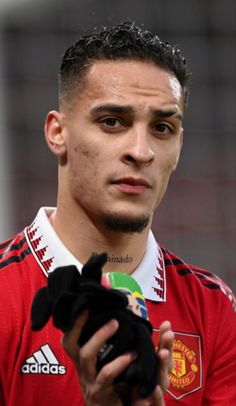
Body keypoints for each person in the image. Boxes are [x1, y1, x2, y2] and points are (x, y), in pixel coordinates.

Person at [0, 21, 235, 406]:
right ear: (58, 133)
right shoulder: (4, 297)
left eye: (162, 127)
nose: (141, 151)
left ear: (179, 146)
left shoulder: (216, 308)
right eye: (112, 122)